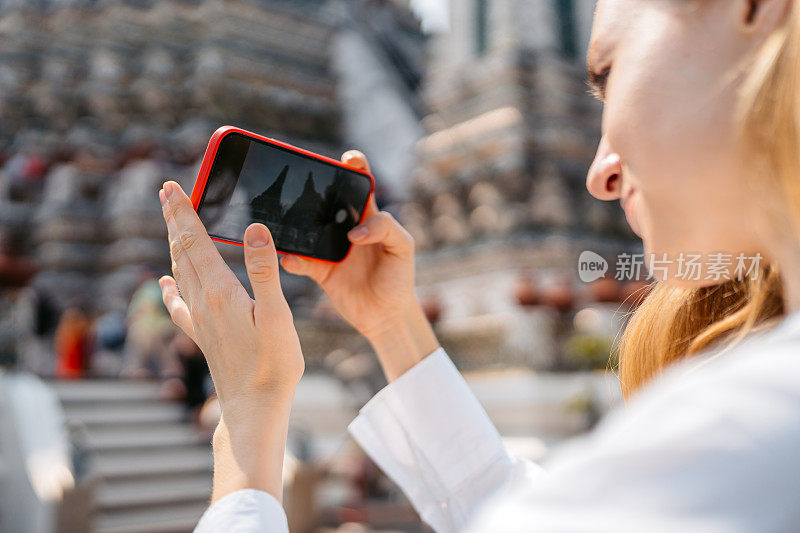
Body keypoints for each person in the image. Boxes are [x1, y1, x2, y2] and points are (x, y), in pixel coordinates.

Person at [157, 0, 800, 530]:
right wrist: (393, 324)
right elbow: (526, 512)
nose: (599, 171)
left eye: (609, 71)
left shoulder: (753, 423)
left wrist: (250, 412)